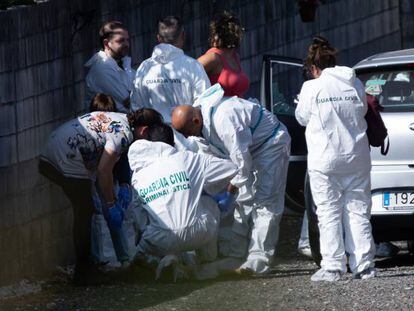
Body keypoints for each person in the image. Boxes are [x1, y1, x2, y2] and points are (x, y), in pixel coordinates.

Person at [171, 84, 291, 274]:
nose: (188, 136)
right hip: (247, 149)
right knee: (242, 200)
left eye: (188, 132)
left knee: (266, 202)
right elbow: (207, 158)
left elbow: (242, 163)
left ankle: (259, 260)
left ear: (195, 120)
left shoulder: (225, 120)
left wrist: (229, 190)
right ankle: (235, 254)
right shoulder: (199, 122)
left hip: (270, 144)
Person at [38, 108, 163, 285]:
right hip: (66, 157)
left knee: (85, 209)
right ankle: (83, 273)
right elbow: (104, 170)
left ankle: (86, 268)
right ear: (143, 130)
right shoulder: (123, 134)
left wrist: (121, 185)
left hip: (54, 149)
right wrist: (111, 204)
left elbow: (111, 163)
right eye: (150, 136)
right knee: (85, 212)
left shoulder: (120, 118)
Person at [296, 37, 376, 282]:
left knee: (329, 212)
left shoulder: (311, 87)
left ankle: (332, 267)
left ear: (313, 68)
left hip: (325, 160)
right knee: (358, 211)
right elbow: (362, 111)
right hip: (356, 156)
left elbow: (301, 118)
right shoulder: (354, 83)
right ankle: (364, 266)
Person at [129, 123, 238, 280]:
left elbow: (138, 215)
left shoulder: (138, 174)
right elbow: (234, 168)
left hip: (158, 239)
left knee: (153, 227)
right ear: (173, 143)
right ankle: (206, 260)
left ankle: (164, 260)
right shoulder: (189, 159)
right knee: (208, 203)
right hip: (198, 233)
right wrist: (228, 194)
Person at [130, 16, 210, 122]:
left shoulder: (144, 67)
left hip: (153, 135)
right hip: (187, 135)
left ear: (159, 38)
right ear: (183, 35)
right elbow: (205, 104)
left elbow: (136, 107)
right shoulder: (193, 66)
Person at [84, 21, 135, 113]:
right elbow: (130, 101)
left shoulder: (123, 63)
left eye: (128, 40)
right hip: (106, 124)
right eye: (121, 41)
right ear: (107, 43)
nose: (127, 44)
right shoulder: (102, 68)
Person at [198, 11, 249, 98]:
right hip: (219, 110)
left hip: (238, 109)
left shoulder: (235, 56)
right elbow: (189, 73)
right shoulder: (213, 57)